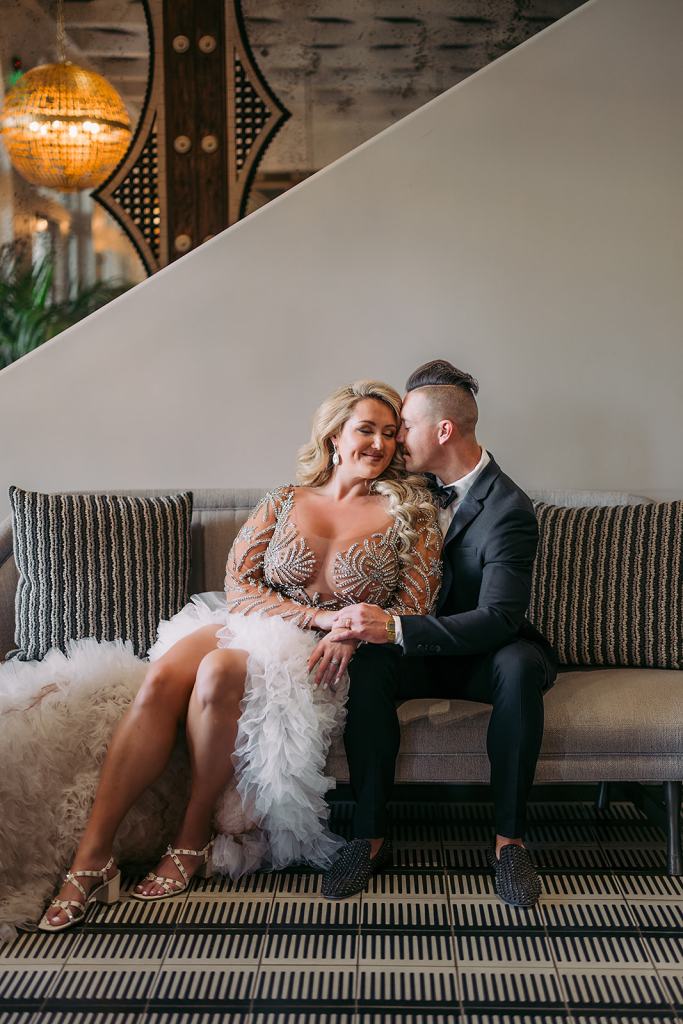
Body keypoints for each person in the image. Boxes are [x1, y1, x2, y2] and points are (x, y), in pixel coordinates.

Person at [39, 380, 441, 932]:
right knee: (160, 680)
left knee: (220, 669)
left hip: (326, 653)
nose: (378, 443)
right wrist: (316, 615)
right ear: (334, 437)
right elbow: (239, 585)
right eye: (366, 429)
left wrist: (346, 631)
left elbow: (414, 607)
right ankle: (93, 855)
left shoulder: (411, 515)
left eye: (390, 434)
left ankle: (190, 839)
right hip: (261, 621)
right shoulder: (284, 500)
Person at [322, 360, 557, 907]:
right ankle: (368, 837)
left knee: (518, 665)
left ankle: (510, 844)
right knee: (370, 663)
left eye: (404, 426)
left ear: (443, 430)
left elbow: (499, 618)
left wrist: (396, 627)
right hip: (418, 653)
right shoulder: (403, 487)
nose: (395, 439)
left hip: (486, 653)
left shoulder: (509, 509)